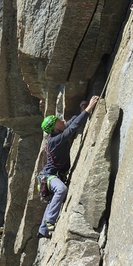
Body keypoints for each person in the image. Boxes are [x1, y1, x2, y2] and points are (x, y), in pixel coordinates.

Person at [38, 95, 99, 238]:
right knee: (61, 189)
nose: (62, 120)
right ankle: (50, 222)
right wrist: (89, 108)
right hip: (49, 177)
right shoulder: (55, 140)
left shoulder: (56, 133)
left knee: (53, 200)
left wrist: (82, 110)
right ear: (54, 128)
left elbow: (72, 122)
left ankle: (42, 231)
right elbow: (72, 129)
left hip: (50, 176)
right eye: (59, 121)